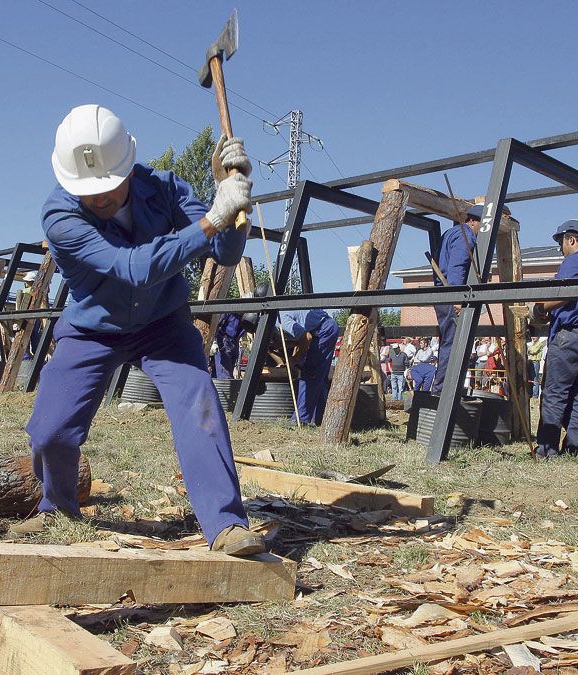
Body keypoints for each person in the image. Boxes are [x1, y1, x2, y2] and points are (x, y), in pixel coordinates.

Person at [20, 104, 262, 555]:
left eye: (109, 185)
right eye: (87, 190)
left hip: (162, 324)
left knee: (199, 404)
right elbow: (133, 268)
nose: (99, 198)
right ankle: (57, 506)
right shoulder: (59, 215)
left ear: (127, 164)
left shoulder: (164, 188)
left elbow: (226, 254)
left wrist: (226, 197)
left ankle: (226, 525)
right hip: (92, 327)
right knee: (51, 430)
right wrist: (213, 218)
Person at [531, 219, 578, 458]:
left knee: (555, 393)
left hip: (569, 334)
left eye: (561, 243)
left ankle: (546, 449)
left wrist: (540, 309)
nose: (561, 249)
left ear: (570, 239)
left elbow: (565, 292)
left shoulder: (574, 261)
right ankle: (574, 447)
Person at [432, 205, 482, 393]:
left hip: (442, 293)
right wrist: (457, 299)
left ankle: (444, 387)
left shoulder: (450, 233)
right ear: (473, 221)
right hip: (451, 294)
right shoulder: (466, 235)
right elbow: (457, 267)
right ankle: (443, 390)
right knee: (453, 344)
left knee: (448, 342)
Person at [278, 307, 340, 425]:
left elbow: (306, 337)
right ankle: (319, 418)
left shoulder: (280, 319)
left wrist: (295, 359)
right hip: (324, 327)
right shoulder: (282, 312)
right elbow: (300, 338)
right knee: (318, 378)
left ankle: (300, 420)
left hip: (322, 331)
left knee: (310, 375)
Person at [212, 313, 243, 379]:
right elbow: (216, 322)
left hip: (234, 341)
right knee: (224, 375)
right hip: (224, 341)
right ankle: (222, 387)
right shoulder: (230, 309)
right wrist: (213, 341)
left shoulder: (245, 312)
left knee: (227, 372)